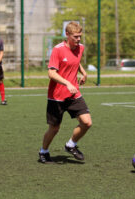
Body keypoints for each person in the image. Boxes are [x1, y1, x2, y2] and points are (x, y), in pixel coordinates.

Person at [39, 22, 92, 163]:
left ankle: (71, 145)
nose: (78, 39)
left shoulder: (80, 48)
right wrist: (67, 83)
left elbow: (76, 61)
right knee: (55, 128)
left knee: (87, 122)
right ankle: (43, 151)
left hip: (74, 93)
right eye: (75, 37)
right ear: (67, 35)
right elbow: (51, 73)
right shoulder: (58, 50)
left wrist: (84, 72)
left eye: (80, 36)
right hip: (56, 96)